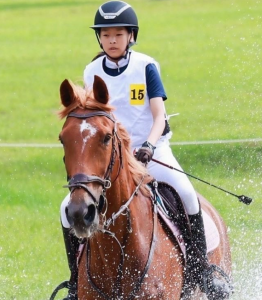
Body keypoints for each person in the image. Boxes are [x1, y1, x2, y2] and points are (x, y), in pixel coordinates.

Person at [59, 1, 232, 299]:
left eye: (118, 34)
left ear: (131, 36)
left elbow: (158, 116)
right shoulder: (91, 71)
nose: (111, 40)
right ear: (99, 38)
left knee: (186, 193)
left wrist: (150, 146)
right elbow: (94, 119)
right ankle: (75, 282)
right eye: (106, 35)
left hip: (150, 150)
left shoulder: (146, 66)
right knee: (66, 210)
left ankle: (201, 270)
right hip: (113, 156)